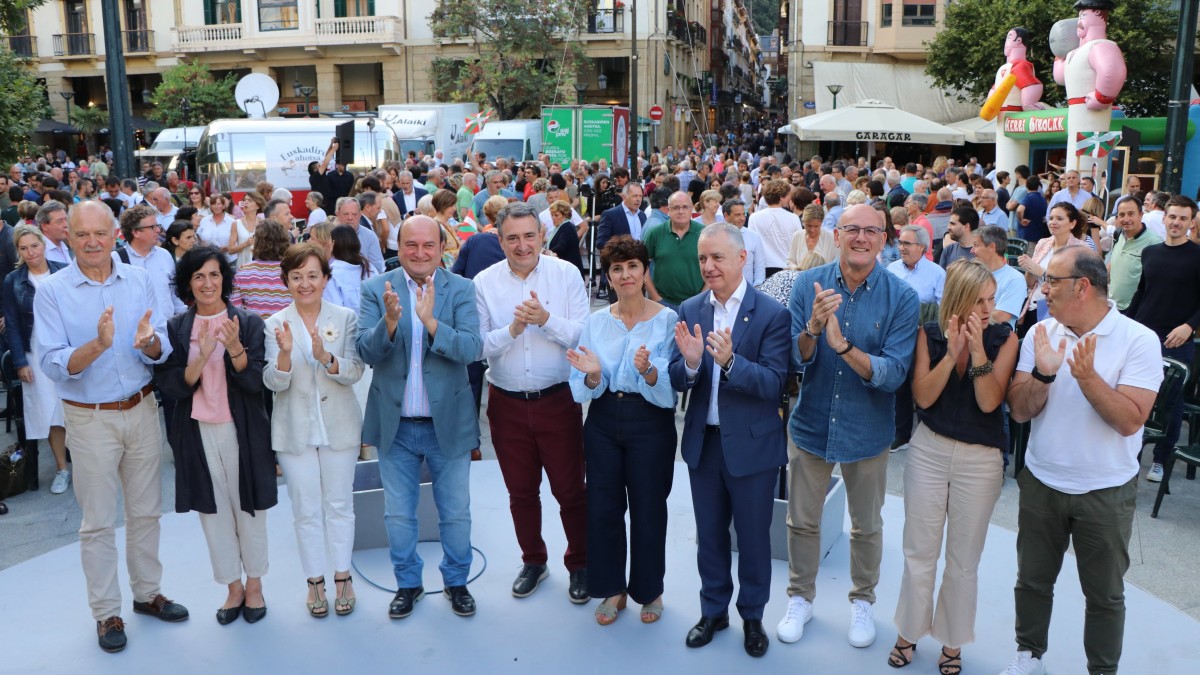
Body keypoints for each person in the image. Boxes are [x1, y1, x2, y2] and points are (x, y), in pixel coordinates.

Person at [34, 201, 188, 652]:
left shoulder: (139, 279)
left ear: (114, 235)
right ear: (68, 237)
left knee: (146, 512)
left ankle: (147, 594)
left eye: (100, 233)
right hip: (89, 417)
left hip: (140, 409)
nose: (92, 242)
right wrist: (98, 345)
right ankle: (106, 613)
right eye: (82, 234)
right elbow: (52, 363)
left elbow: (160, 345)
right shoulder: (53, 291)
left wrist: (152, 343)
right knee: (98, 522)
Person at [1001, 246, 1160, 675]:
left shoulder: (1139, 340)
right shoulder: (1042, 331)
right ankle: (1028, 655)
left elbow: (1129, 421)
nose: (1043, 288)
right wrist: (1045, 375)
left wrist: (1088, 379)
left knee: (1105, 595)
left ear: (1083, 287)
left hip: (1106, 491)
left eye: (1051, 281)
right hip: (1042, 482)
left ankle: (1102, 671)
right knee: (1032, 581)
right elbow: (1018, 410)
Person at [779, 204, 919, 650]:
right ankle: (800, 597)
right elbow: (793, 357)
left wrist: (842, 347)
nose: (861, 238)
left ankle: (862, 601)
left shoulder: (901, 297)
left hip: (867, 430)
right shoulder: (807, 283)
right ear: (836, 235)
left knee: (866, 526)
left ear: (884, 239)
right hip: (812, 422)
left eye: (871, 231)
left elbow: (894, 374)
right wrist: (814, 329)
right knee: (802, 521)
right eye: (852, 229)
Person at [888, 260, 1017, 675]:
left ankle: (952, 641)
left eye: (992, 299)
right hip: (929, 449)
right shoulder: (928, 334)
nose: (988, 308)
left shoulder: (1005, 338)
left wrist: (977, 350)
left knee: (964, 560)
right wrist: (953, 354)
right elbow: (923, 398)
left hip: (981, 459)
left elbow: (989, 402)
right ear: (958, 300)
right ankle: (908, 631)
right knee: (918, 550)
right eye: (979, 300)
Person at [668, 222, 791, 658]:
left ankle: (753, 616)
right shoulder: (690, 308)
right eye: (703, 258)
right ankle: (713, 610)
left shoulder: (772, 313)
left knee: (755, 539)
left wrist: (731, 362)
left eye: (717, 257)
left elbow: (777, 383)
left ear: (742, 258)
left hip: (753, 448)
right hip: (706, 444)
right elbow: (675, 377)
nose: (708, 266)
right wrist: (693, 365)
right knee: (711, 535)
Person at [356, 215, 482, 620]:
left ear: (442, 247)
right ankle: (408, 584)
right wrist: (390, 325)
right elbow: (365, 352)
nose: (421, 253)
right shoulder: (376, 289)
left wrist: (429, 322)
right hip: (396, 426)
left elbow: (470, 349)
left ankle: (456, 582)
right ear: (399, 245)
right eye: (412, 245)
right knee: (398, 514)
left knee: (456, 511)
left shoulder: (461, 288)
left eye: (429, 245)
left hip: (448, 424)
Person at [474, 201, 590, 605]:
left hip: (557, 401)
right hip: (505, 404)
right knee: (520, 492)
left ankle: (580, 563)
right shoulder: (484, 282)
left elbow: (582, 334)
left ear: (542, 236)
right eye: (512, 238)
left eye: (529, 236)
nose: (522, 245)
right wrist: (514, 328)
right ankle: (534, 561)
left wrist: (545, 320)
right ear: (499, 239)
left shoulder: (567, 275)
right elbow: (478, 346)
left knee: (570, 489)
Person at [155, 245, 275, 625]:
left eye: (214, 274)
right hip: (197, 432)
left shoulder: (249, 322)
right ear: (187, 284)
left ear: (224, 278)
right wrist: (202, 355)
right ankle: (232, 587)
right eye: (198, 276)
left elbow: (257, 382)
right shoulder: (178, 328)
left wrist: (235, 348)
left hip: (243, 430)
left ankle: (254, 584)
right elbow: (172, 386)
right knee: (213, 513)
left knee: (249, 509)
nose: (208, 283)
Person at [566, 236, 677, 625]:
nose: (626, 275)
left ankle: (650, 590)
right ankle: (612, 588)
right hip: (602, 419)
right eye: (617, 268)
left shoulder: (668, 320)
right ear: (608, 276)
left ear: (645, 271)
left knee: (649, 509)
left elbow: (669, 395)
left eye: (633, 266)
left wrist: (648, 371)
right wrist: (595, 375)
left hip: (651, 422)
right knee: (603, 508)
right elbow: (580, 384)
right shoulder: (596, 322)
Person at [264, 243, 365, 618]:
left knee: (340, 505)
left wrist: (327, 358)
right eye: (296, 277)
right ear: (286, 281)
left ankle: (343, 578)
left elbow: (355, 371)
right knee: (305, 510)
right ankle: (314, 583)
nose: (305, 283)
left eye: (312, 275)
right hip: (295, 432)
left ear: (325, 278)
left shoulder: (346, 317)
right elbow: (273, 383)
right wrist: (286, 355)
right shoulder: (273, 324)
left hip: (339, 425)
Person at [1126, 195, 1200, 483]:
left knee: (1171, 402)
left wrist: (1189, 326)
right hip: (1144, 337)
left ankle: (1160, 459)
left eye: (1183, 218)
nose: (1177, 223)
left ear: (1191, 222)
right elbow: (1142, 292)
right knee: (1134, 396)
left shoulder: (1197, 256)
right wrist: (1125, 325)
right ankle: (1130, 455)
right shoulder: (1151, 253)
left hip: (1177, 342)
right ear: (1163, 218)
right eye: (1172, 217)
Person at [3, 225, 69, 493]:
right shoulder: (14, 280)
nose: (30, 252)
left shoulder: (63, 271)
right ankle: (62, 468)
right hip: (34, 354)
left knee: (76, 407)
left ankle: (91, 464)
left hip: (67, 351)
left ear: (44, 245)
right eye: (23, 248)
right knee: (49, 412)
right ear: (17, 251)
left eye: (34, 246)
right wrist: (20, 362)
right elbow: (12, 324)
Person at [1017, 203, 1089, 323]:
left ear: (1073, 223)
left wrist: (1041, 273)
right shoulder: (1042, 243)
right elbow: (1030, 283)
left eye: (1059, 219)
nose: (1053, 222)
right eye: (1051, 218)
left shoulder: (1080, 249)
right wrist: (1029, 268)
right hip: (1035, 306)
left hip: (1062, 311)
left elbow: (1076, 285)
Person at [116, 204, 187, 319]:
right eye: (152, 227)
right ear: (136, 232)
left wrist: (183, 317)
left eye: (157, 225)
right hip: (136, 330)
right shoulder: (117, 259)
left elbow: (173, 292)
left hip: (167, 327)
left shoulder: (164, 255)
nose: (158, 230)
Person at [643, 191, 705, 312]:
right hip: (663, 303)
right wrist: (656, 298)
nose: (681, 211)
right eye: (676, 207)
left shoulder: (704, 233)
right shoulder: (656, 233)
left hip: (697, 304)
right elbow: (642, 266)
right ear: (669, 210)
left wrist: (703, 297)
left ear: (691, 209)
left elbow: (712, 267)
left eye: (685, 207)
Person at [230, 220, 292, 320]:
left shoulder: (243, 271)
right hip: (286, 328)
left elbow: (235, 308)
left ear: (257, 242)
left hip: (255, 330)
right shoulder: (292, 271)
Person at [1107, 196, 1160, 312]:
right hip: (1113, 306)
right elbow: (1115, 262)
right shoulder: (1119, 235)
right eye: (1122, 215)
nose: (1126, 219)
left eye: (1131, 214)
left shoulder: (1154, 243)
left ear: (1141, 215)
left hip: (1136, 310)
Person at [973, 225, 1028, 329]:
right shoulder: (973, 273)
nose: (972, 250)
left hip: (996, 339)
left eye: (976, 245)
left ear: (991, 247)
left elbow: (1000, 317)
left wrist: (967, 317)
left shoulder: (1015, 279)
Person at [748, 180, 802, 277]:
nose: (789, 198)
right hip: (787, 267)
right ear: (781, 197)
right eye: (788, 195)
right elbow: (799, 244)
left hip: (763, 268)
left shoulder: (754, 217)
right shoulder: (793, 218)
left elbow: (751, 244)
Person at [326, 224, 372, 314]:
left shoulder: (332, 273)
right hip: (372, 323)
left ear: (333, 244)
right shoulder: (370, 268)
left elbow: (335, 309)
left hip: (347, 325)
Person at [724, 199, 764, 287]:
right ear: (726, 216)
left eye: (744, 214)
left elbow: (759, 267)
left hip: (748, 291)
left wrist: (757, 287)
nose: (742, 218)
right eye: (738, 215)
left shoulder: (754, 237)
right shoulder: (717, 236)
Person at [788, 203, 836, 270]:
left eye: (816, 226)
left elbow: (836, 264)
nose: (812, 230)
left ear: (821, 223)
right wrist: (796, 268)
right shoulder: (797, 236)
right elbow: (790, 261)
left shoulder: (831, 238)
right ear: (803, 222)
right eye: (809, 225)